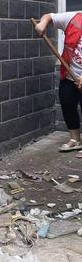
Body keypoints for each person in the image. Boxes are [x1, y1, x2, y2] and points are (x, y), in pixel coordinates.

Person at [36, 11, 82, 155]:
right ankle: (75, 140)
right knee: (68, 104)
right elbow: (49, 16)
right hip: (69, 74)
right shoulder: (74, 18)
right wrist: (42, 24)